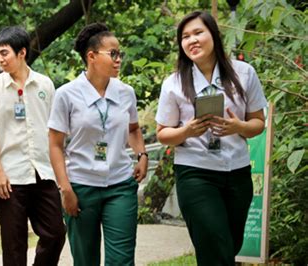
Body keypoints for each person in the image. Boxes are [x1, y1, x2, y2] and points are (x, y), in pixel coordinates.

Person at [155, 11, 267, 265]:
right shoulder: (173, 83)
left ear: (213, 34)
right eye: (185, 37)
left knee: (229, 244)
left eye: (198, 33)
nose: (191, 40)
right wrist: (186, 131)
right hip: (195, 173)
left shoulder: (244, 73)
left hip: (237, 172)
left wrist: (237, 126)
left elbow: (258, 123)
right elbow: (163, 134)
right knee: (215, 242)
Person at [48, 22, 148, 266]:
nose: (118, 59)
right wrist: (66, 190)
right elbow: (55, 145)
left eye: (119, 53)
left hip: (120, 185)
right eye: (112, 53)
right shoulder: (66, 94)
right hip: (81, 187)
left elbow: (133, 130)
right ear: (91, 56)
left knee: (122, 260)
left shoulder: (126, 92)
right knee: (85, 260)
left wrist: (142, 155)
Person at [0, 26, 66, 266]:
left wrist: (60, 173)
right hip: (10, 176)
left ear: (22, 53)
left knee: (55, 233)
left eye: (4, 53)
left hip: (43, 173)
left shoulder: (45, 85)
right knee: (14, 245)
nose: (0, 58)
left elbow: (54, 131)